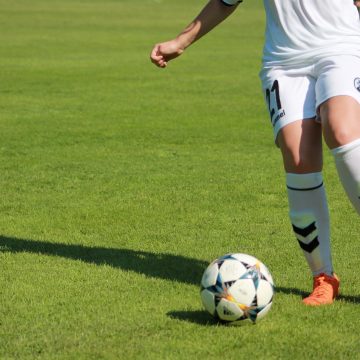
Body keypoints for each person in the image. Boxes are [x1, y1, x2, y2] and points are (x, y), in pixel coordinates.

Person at [150, 0, 360, 306]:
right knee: (297, 157)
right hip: (284, 61)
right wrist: (180, 42)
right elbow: (225, 1)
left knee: (341, 130)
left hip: (342, 46)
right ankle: (323, 277)